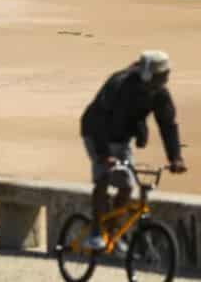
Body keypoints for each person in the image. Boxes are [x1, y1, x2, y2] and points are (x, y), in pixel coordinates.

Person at [80, 50, 187, 250]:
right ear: (147, 75)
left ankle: (112, 234)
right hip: (96, 134)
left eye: (166, 75)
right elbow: (97, 119)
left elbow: (168, 125)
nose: (164, 80)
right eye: (160, 76)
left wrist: (176, 158)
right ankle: (95, 232)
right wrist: (104, 155)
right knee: (103, 178)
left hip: (122, 139)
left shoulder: (160, 93)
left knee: (127, 186)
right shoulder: (118, 84)